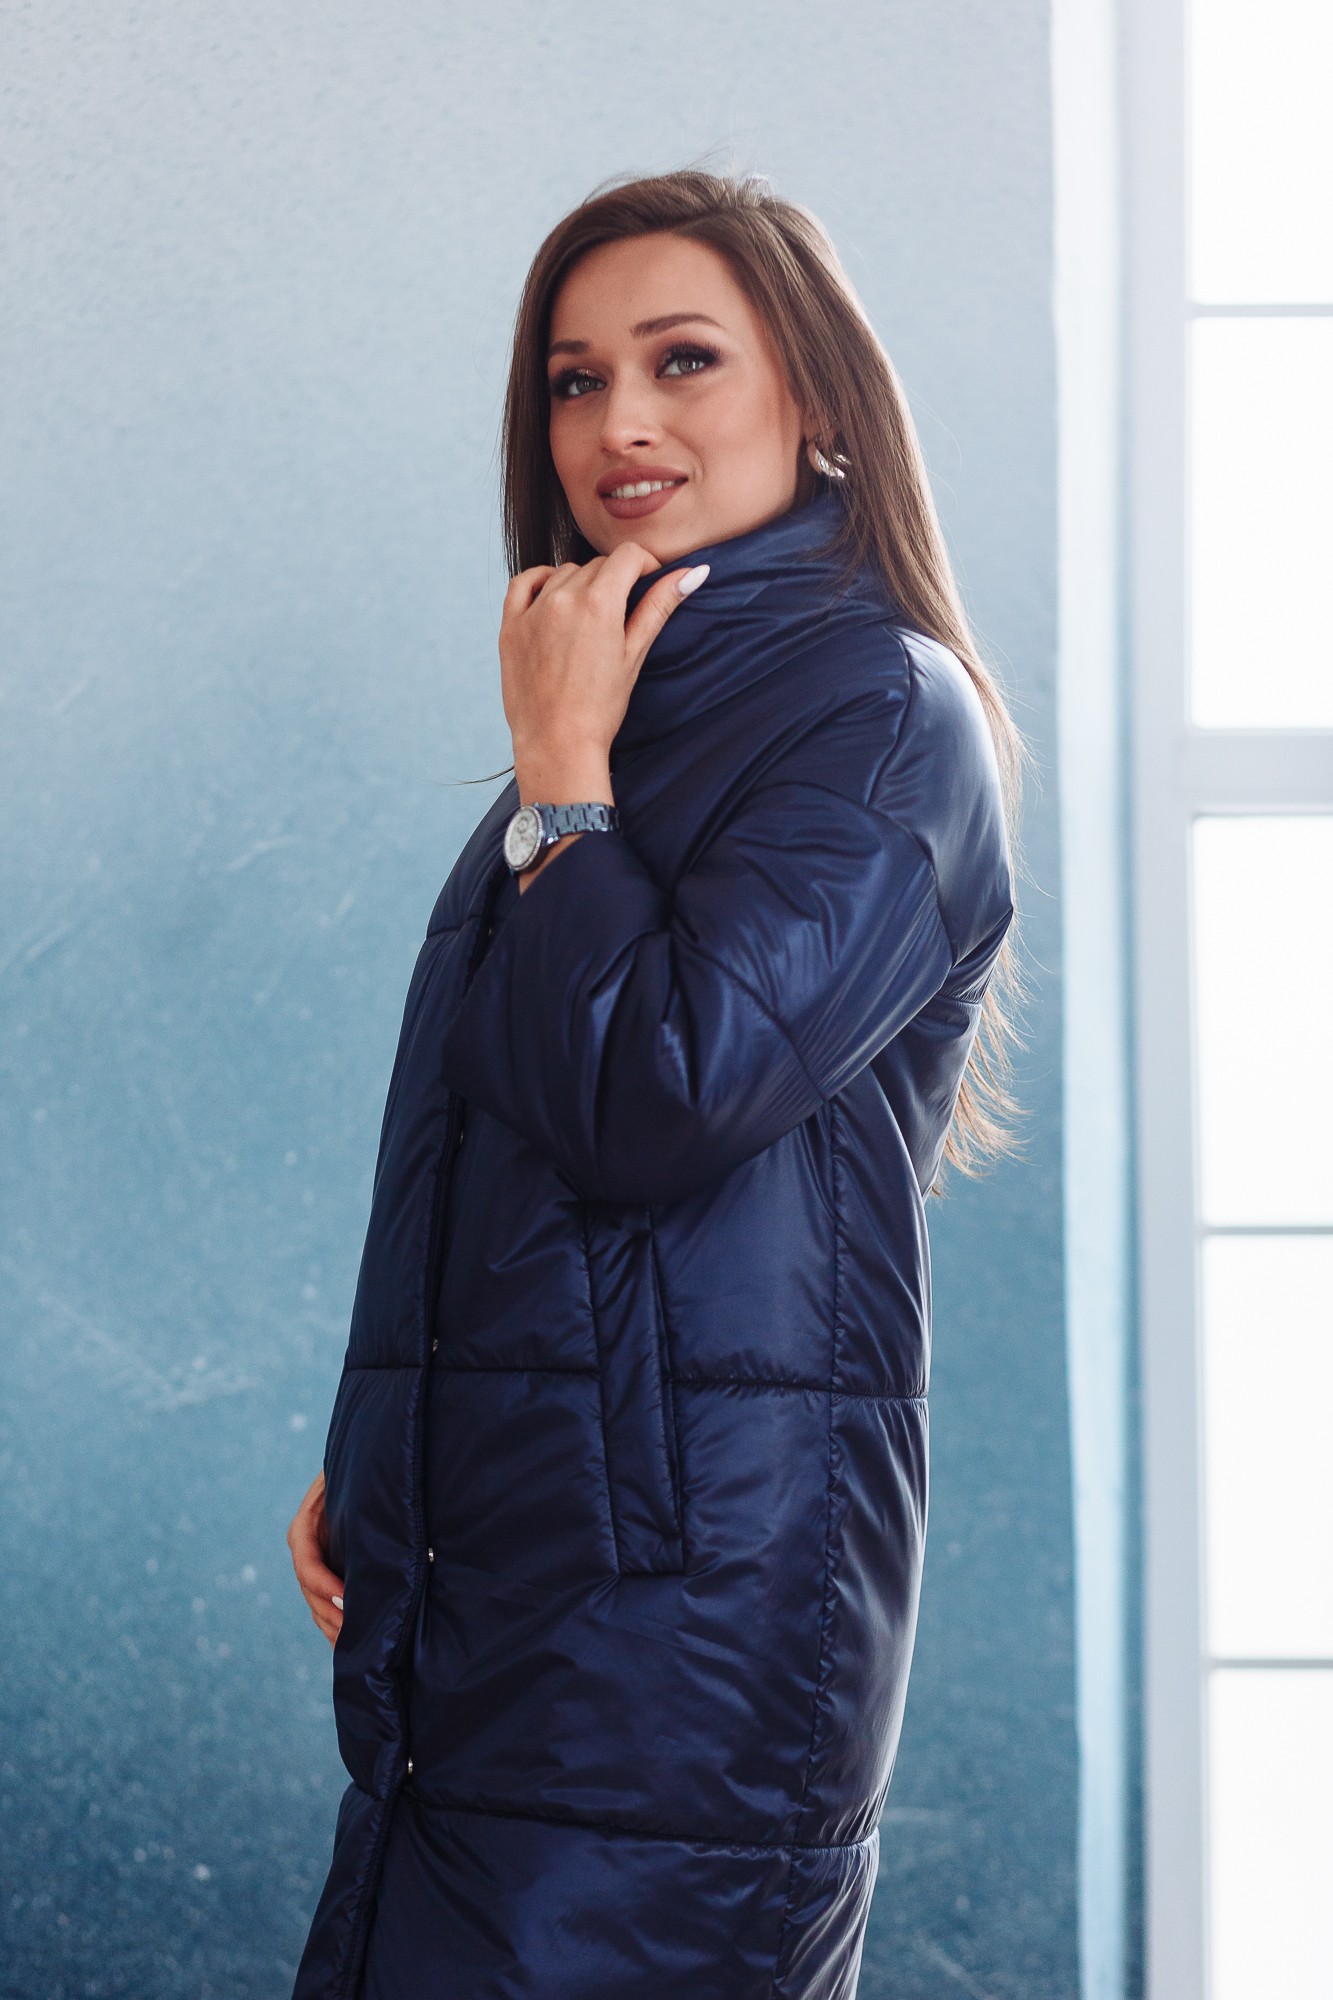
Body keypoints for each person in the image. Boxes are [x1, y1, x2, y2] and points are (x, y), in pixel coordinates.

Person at [286, 167, 1027, 2000]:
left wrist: (561, 772)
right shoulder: (615, 717)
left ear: (817, 393)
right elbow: (505, 1163)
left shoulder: (880, 712)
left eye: (682, 360)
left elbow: (652, 1099)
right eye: (573, 378)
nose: (618, 421)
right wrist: (393, 1459)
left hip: (676, 1655)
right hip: (486, 1600)